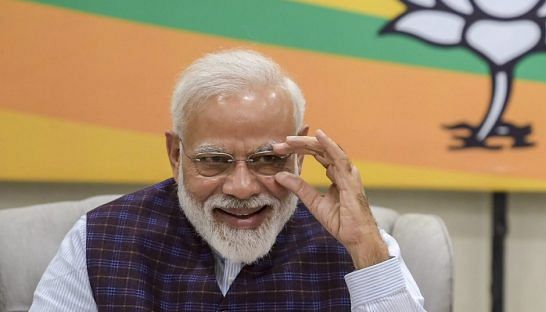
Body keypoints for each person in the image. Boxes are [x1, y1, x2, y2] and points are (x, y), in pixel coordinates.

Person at [30, 50, 425, 311]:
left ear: (300, 154)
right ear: (176, 154)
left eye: (268, 159)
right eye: (214, 161)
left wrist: (366, 249)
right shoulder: (101, 239)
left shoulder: (359, 247)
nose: (242, 187)